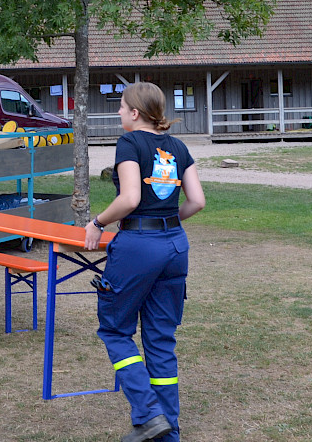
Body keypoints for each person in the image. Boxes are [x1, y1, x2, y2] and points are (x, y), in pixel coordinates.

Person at [84, 82, 205, 442]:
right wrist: (167, 220)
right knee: (160, 341)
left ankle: (149, 413)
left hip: (138, 245)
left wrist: (96, 223)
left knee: (114, 330)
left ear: (135, 113)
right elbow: (197, 201)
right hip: (175, 246)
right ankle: (169, 434)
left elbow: (131, 198)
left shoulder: (130, 143)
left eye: (121, 107)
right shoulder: (179, 147)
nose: (118, 113)